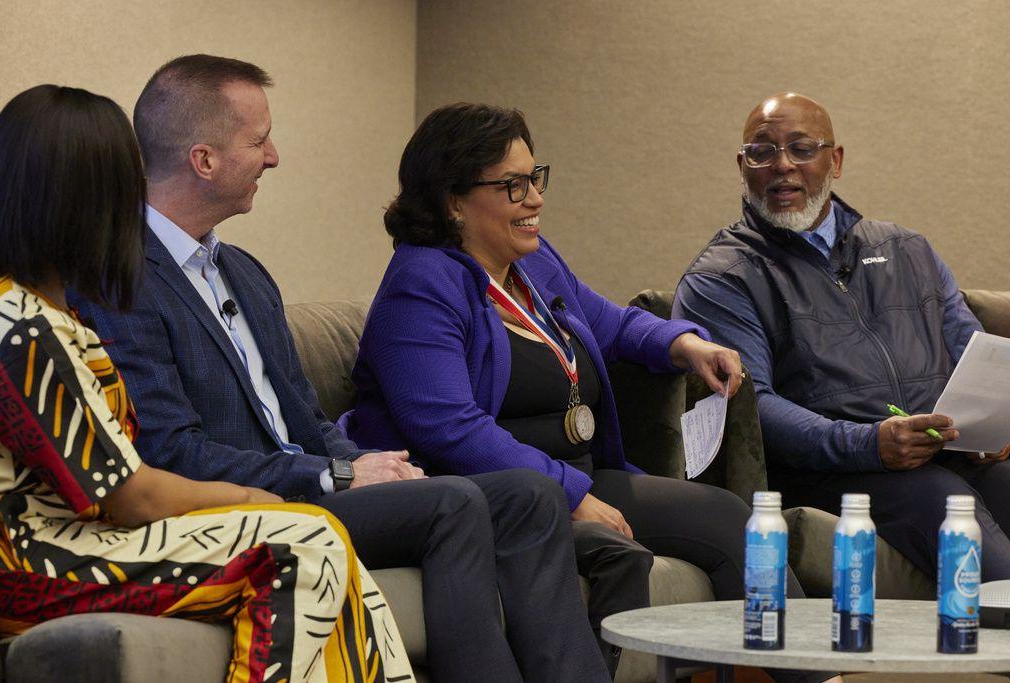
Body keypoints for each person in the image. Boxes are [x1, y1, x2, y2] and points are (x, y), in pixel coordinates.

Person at [72, 56, 607, 683]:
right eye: (259, 139)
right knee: (454, 502)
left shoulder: (244, 272)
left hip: (312, 488)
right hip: (245, 508)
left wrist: (369, 466)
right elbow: (171, 452)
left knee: (529, 493)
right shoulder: (121, 280)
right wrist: (335, 474)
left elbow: (306, 413)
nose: (273, 156)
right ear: (204, 159)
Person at [343, 102, 839, 683]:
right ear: (453, 200)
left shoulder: (530, 262)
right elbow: (449, 429)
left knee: (735, 524)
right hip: (497, 495)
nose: (534, 199)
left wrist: (685, 345)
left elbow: (611, 321)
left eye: (535, 178)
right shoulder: (421, 286)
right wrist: (571, 495)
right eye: (512, 186)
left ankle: (816, 676)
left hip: (573, 474)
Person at [0, 84, 413, 683]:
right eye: (120, 187)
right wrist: (255, 500)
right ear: (79, 200)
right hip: (43, 564)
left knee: (320, 540)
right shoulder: (23, 328)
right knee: (301, 544)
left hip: (85, 542)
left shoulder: (28, 308)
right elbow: (132, 496)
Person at [672, 91, 1010, 581]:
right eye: (763, 152)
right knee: (948, 506)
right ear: (743, 165)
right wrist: (868, 444)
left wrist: (990, 427)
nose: (782, 165)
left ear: (836, 159)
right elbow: (751, 406)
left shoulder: (907, 249)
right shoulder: (722, 277)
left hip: (939, 453)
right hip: (831, 472)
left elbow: (971, 353)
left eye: (802, 148)